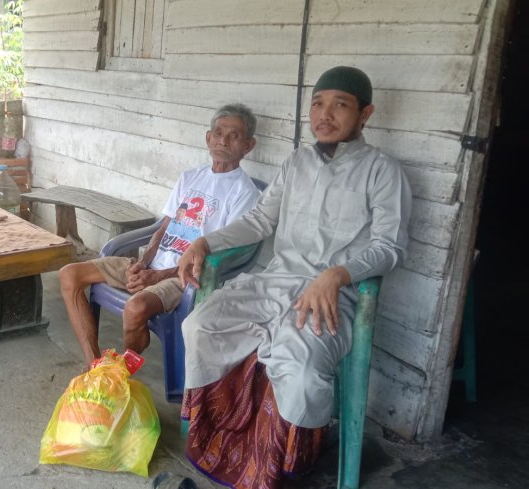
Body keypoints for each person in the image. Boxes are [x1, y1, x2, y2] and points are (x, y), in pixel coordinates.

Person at [175, 66, 412, 488]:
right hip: (274, 281)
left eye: (340, 105)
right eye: (317, 104)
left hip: (332, 298)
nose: (325, 115)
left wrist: (339, 274)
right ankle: (220, 440)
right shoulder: (297, 161)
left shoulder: (382, 170)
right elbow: (260, 220)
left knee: (300, 365)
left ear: (365, 114)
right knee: (200, 325)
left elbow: (390, 246)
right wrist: (205, 243)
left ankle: (278, 463)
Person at [59, 104, 262, 368]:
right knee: (69, 274)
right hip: (152, 266)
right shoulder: (190, 177)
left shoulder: (244, 193)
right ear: (208, 137)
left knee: (135, 308)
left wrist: (157, 276)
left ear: (248, 145)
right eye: (218, 132)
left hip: (183, 277)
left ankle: (123, 373)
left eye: (233, 135)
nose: (223, 139)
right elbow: (163, 227)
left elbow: (219, 251)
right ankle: (93, 366)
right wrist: (142, 265)